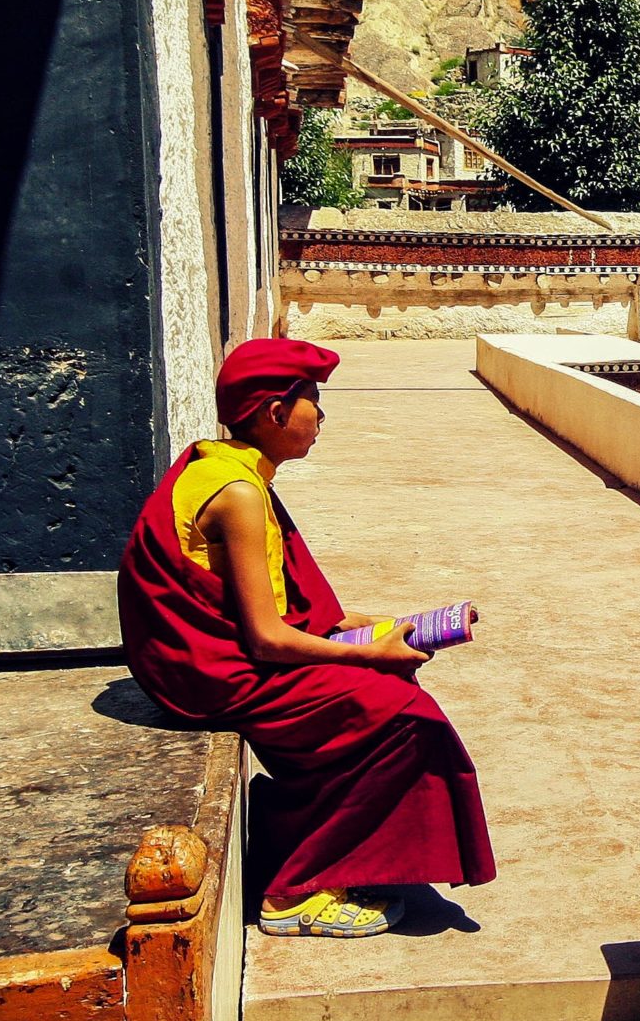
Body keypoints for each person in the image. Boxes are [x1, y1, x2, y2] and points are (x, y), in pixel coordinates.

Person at [118, 338, 496, 937]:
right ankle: (294, 892)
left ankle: (296, 836)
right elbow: (267, 640)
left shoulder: (222, 465)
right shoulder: (238, 494)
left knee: (385, 691)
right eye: (312, 402)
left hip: (213, 656)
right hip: (215, 676)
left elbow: (274, 603)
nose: (321, 417)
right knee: (405, 720)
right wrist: (368, 652)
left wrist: (366, 630)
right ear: (275, 413)